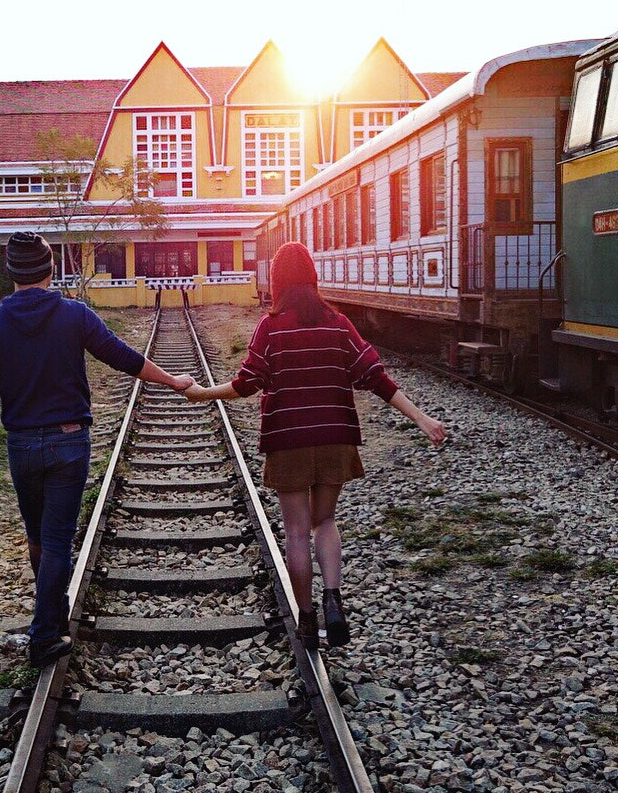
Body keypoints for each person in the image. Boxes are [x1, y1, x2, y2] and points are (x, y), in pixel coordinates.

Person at [0, 232, 193, 668]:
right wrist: (173, 381)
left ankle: (51, 609)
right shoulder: (73, 314)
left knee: (39, 537)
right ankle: (44, 634)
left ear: (10, 272)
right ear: (50, 269)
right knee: (58, 539)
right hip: (68, 440)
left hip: (22, 444)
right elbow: (120, 356)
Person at [183, 242, 446, 651]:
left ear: (278, 281)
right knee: (326, 521)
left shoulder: (270, 328)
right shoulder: (339, 324)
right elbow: (376, 377)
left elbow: (245, 383)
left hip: (288, 440)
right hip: (335, 437)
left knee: (296, 530)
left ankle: (307, 620)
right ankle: (333, 601)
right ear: (313, 278)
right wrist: (422, 418)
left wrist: (203, 395)